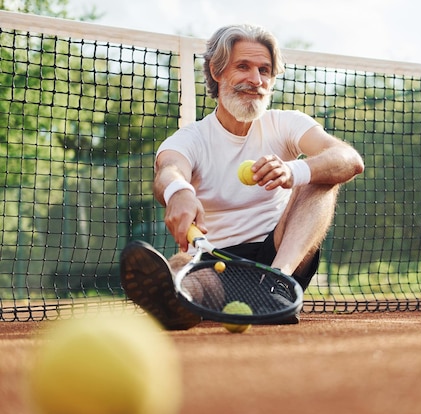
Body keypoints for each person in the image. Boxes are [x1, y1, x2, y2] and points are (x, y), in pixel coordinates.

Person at [120, 23, 364, 330]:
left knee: (322, 177)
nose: (255, 79)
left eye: (264, 70)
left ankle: (277, 287)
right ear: (217, 70)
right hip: (217, 263)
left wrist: (294, 170)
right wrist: (179, 192)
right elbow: (169, 169)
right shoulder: (191, 138)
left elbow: (349, 160)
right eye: (243, 67)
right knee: (183, 272)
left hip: (280, 254)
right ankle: (176, 298)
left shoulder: (286, 124)